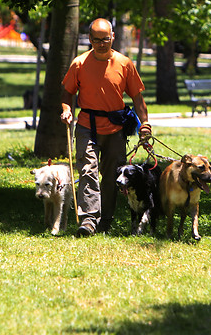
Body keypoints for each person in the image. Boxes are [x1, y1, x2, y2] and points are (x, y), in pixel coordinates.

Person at [60, 18, 152, 236]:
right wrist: (66, 109)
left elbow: (138, 99)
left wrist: (145, 123)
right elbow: (67, 93)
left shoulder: (124, 63)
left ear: (113, 37)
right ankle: (89, 220)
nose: (102, 43)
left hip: (114, 129)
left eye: (106, 39)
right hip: (86, 126)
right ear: (90, 39)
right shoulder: (79, 63)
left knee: (113, 176)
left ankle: (106, 219)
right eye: (96, 39)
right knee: (87, 170)